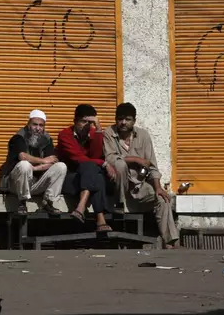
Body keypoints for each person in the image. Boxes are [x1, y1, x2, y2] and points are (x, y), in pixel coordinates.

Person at [103, 102, 179, 249]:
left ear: (134, 121)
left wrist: (158, 187)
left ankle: (170, 242)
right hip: (118, 190)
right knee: (120, 163)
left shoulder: (143, 135)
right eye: (120, 119)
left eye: (128, 119)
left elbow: (152, 166)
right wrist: (136, 159)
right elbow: (111, 158)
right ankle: (120, 204)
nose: (123, 122)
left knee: (162, 200)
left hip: (139, 187)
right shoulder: (109, 133)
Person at [57, 104, 117, 232]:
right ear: (75, 121)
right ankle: (100, 219)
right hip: (71, 179)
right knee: (91, 168)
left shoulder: (94, 133)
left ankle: (80, 208)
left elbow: (96, 154)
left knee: (94, 173)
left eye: (89, 122)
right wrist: (103, 163)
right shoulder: (64, 135)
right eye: (83, 121)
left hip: (88, 179)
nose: (86, 125)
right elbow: (78, 158)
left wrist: (99, 129)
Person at [2, 109, 67, 216]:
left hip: (36, 183)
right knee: (24, 165)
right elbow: (23, 156)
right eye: (35, 124)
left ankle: (48, 202)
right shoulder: (18, 137)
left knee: (61, 166)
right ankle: (22, 202)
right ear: (28, 124)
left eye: (41, 125)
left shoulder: (46, 139)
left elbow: (53, 161)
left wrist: (35, 168)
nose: (38, 128)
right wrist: (43, 161)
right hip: (17, 185)